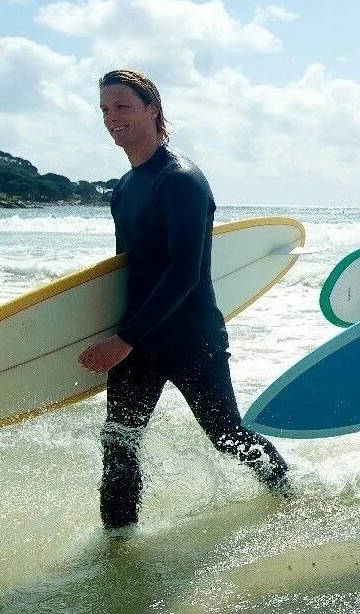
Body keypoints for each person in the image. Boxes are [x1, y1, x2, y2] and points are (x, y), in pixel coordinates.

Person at [78, 69, 290, 530]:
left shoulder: (180, 180)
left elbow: (185, 274)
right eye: (105, 110)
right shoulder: (124, 188)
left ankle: (286, 492)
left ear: (153, 109)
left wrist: (124, 340)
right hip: (137, 341)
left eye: (123, 107)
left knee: (227, 435)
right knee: (119, 442)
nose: (112, 118)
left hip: (190, 338)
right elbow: (124, 271)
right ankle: (117, 548)